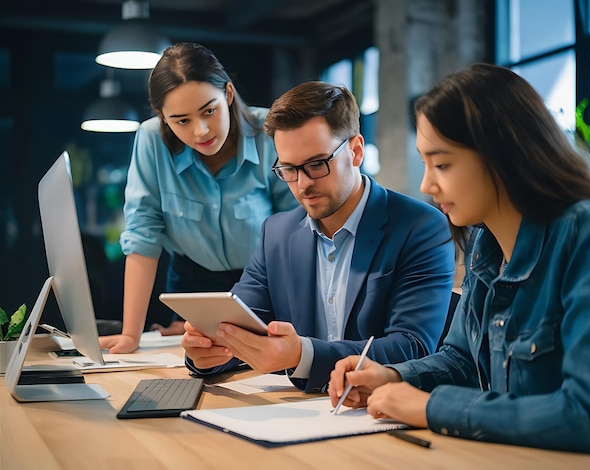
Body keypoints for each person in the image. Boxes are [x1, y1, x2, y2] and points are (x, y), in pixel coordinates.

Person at [328, 63, 590, 455]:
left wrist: (432, 407)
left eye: (443, 164)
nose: (426, 185)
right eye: (426, 163)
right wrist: (391, 376)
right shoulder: (486, 242)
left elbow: (589, 417)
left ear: (502, 154)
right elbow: (462, 359)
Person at [182, 81, 456, 393]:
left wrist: (304, 355)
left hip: (382, 410)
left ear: (355, 151)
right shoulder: (277, 233)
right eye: (288, 169)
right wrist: (207, 354)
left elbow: (412, 348)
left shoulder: (420, 226)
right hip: (298, 417)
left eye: (316, 165)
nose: (302, 184)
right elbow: (240, 327)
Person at [99, 43, 297, 354]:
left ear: (228, 94)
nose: (200, 131)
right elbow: (143, 234)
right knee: (197, 371)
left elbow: (299, 230)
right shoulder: (151, 141)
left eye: (209, 111)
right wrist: (130, 336)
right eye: (181, 120)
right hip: (193, 285)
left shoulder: (271, 133)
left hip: (267, 281)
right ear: (162, 117)